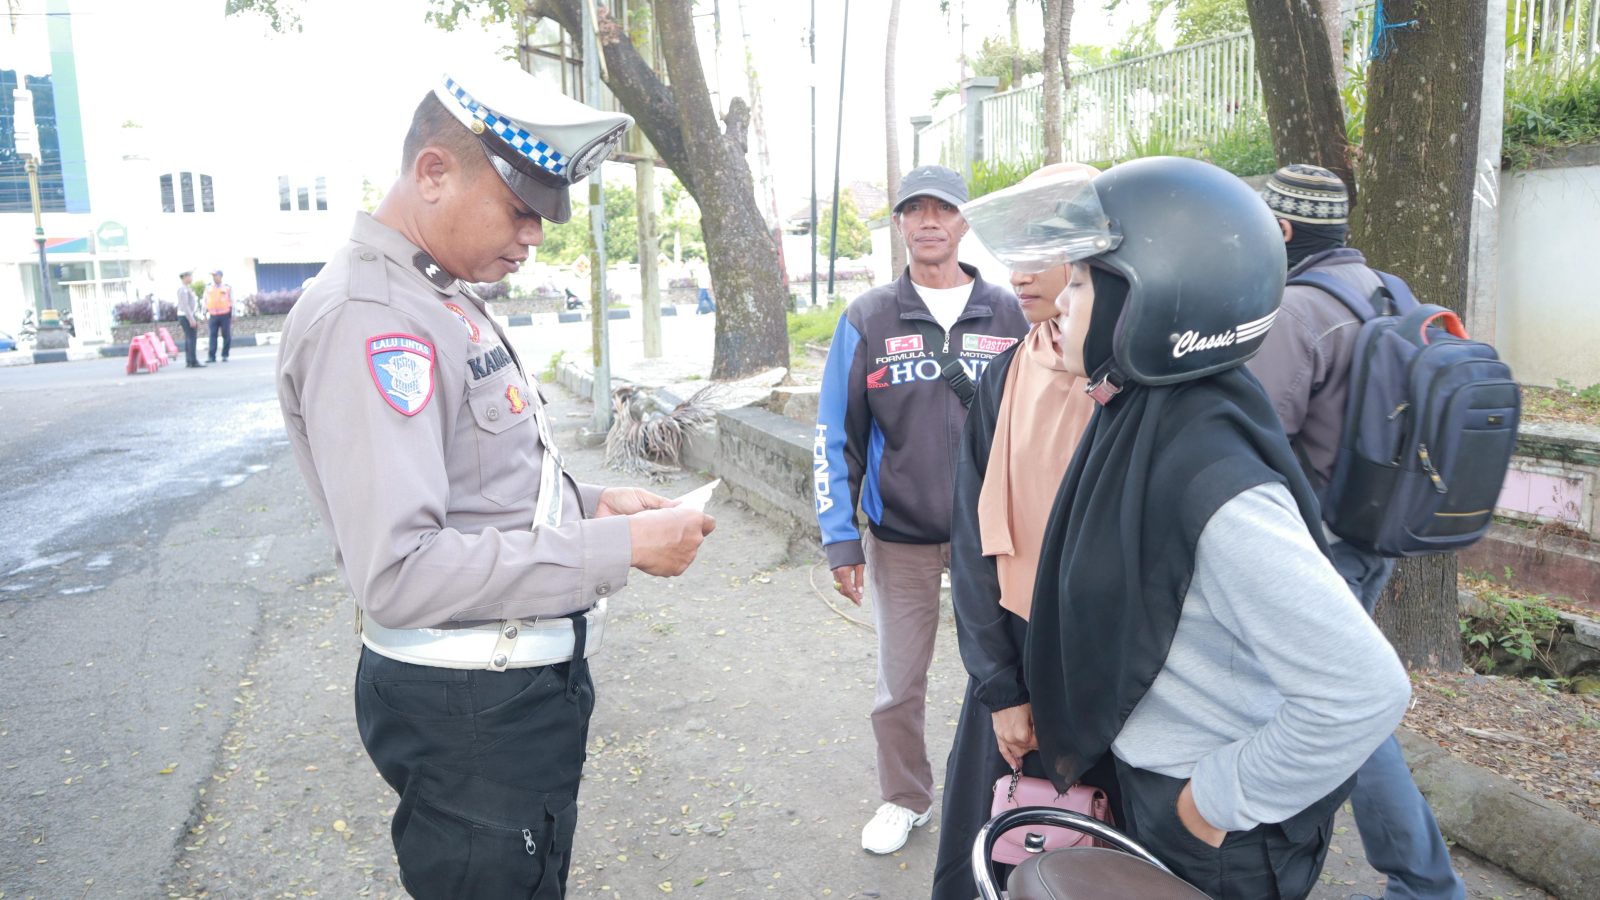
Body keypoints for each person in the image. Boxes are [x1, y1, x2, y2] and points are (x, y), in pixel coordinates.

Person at [275, 60, 715, 899]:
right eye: (520, 209)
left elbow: (479, 486)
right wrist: (612, 547)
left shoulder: (437, 291)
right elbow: (401, 570)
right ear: (434, 172)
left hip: (510, 693)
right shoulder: (374, 319)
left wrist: (593, 505)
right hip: (471, 708)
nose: (534, 236)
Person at [963, 156, 1411, 899]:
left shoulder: (1209, 476)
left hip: (1215, 830)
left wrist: (1212, 802)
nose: (1063, 303)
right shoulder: (1143, 419)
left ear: (1154, 296)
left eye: (1080, 283)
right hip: (1156, 782)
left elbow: (1363, 691)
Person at [1247, 164, 1466, 900]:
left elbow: (1256, 435)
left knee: (1350, 719)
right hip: (1375, 535)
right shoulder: (1392, 293)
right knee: (1337, 704)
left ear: (1281, 230)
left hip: (1316, 548)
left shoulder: (1296, 310)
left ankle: (1423, 883)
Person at [813, 163, 1028, 855]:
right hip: (900, 537)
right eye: (915, 209)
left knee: (1005, 678)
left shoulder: (1009, 311)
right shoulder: (868, 317)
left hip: (994, 536)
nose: (930, 220)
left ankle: (1011, 796)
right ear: (901, 223)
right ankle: (905, 797)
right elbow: (833, 434)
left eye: (944, 209)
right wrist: (841, 539)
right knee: (898, 685)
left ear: (966, 222)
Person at [930, 164, 1105, 899]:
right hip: (1010, 653)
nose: (1020, 274)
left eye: (1045, 255)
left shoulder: (1132, 386)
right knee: (990, 849)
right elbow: (973, 540)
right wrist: (999, 686)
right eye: (1018, 253)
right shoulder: (1007, 374)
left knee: (1088, 860)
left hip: (1099, 679)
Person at [204, 269, 233, 363]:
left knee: (226, 335)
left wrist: (234, 313)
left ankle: (225, 355)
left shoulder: (227, 287)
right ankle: (211, 356)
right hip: (213, 315)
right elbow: (205, 301)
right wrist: (204, 313)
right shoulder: (208, 287)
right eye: (213, 276)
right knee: (212, 336)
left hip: (225, 314)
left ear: (220, 276)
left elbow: (232, 300)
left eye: (216, 275)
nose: (214, 277)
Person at [175, 271, 203, 368]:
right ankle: (192, 361)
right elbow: (185, 306)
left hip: (187, 315)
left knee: (189, 338)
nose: (191, 278)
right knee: (191, 338)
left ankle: (190, 360)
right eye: (190, 276)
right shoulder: (183, 290)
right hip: (186, 316)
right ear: (185, 277)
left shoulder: (187, 288)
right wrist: (191, 319)